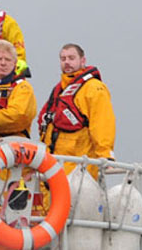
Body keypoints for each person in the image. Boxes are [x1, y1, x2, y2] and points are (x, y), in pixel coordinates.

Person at [38, 43, 115, 178]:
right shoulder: (59, 90)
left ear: (82, 60)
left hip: (79, 169)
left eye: (71, 58)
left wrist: (105, 155)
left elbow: (102, 123)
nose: (67, 62)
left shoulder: (94, 88)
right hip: (53, 165)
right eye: (63, 59)